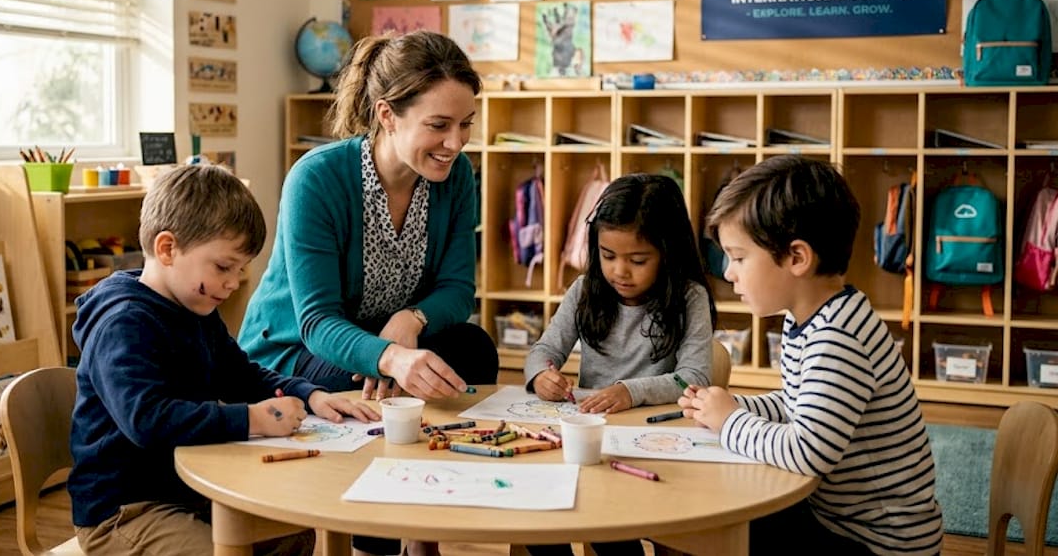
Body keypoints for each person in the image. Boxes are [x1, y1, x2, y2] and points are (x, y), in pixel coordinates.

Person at [239, 30, 498, 556]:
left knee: (473, 349)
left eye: (466, 123)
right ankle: (375, 536)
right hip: (300, 351)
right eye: (439, 125)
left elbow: (457, 289)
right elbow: (316, 322)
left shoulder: (456, 175)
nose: (456, 142)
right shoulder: (317, 178)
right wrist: (391, 357)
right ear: (386, 115)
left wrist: (412, 320)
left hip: (384, 345)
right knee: (373, 386)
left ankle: (425, 514)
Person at [69, 164, 378, 556]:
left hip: (188, 491)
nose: (233, 283)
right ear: (167, 249)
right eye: (223, 267)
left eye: (241, 269)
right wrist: (250, 419)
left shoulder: (194, 307)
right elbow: (147, 420)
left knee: (295, 532)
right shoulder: (123, 323)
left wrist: (309, 394)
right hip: (123, 511)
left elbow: (240, 373)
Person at [681, 155, 943, 555]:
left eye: (738, 257)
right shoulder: (811, 318)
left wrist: (731, 420)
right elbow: (799, 402)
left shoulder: (838, 338)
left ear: (797, 258)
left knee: (718, 523)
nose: (728, 272)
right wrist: (735, 406)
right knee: (723, 508)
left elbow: (807, 452)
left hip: (878, 543)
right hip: (838, 518)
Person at [522, 173, 715, 556]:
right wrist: (541, 373)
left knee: (614, 528)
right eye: (608, 256)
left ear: (668, 251)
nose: (619, 272)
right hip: (593, 443)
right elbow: (543, 350)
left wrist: (631, 391)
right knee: (539, 521)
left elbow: (694, 378)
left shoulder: (689, 298)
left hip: (657, 447)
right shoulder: (585, 289)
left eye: (638, 260)